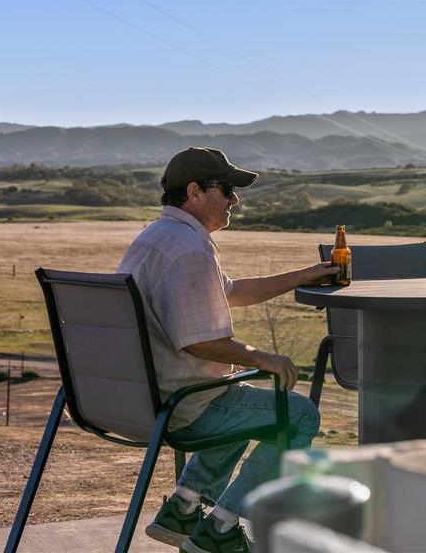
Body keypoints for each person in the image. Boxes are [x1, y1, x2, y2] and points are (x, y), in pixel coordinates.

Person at [118, 147, 340, 553]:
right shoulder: (190, 250)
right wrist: (262, 358)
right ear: (195, 192)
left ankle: (183, 508)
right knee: (299, 415)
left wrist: (303, 276)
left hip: (141, 401)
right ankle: (221, 528)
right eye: (226, 189)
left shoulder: (157, 236)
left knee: (238, 395)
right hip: (179, 406)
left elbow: (231, 292)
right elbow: (199, 340)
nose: (234, 199)